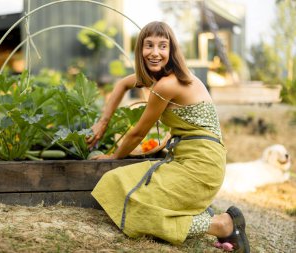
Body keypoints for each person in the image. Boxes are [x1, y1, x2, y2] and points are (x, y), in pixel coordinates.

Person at [86, 21, 250, 252]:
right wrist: (102, 123)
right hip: (189, 160)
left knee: (140, 210)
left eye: (163, 46)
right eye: (149, 45)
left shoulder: (168, 85)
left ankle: (220, 225)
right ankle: (197, 212)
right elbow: (123, 84)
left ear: (172, 51)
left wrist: (113, 157)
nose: (155, 53)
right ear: (140, 50)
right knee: (117, 181)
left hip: (201, 167)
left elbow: (138, 132)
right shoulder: (162, 78)